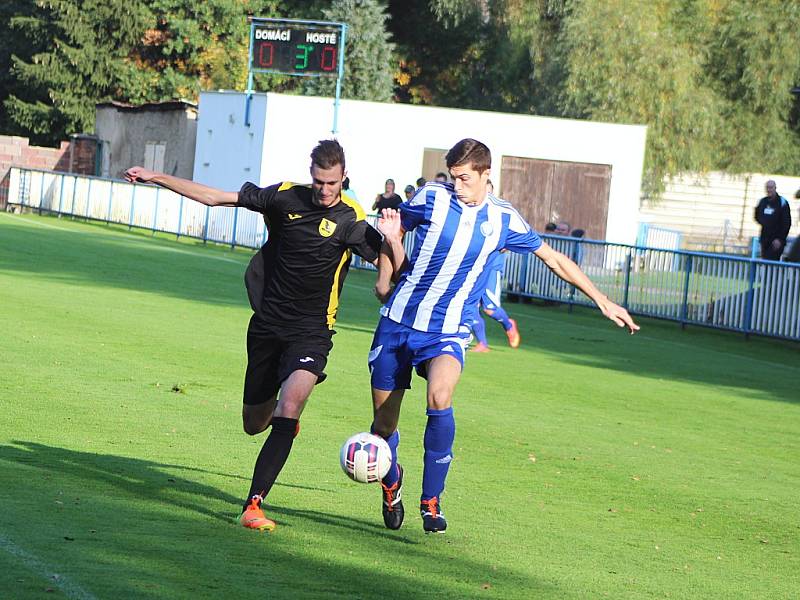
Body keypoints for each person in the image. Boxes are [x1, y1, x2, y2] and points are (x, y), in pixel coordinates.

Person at [369, 138, 639, 534]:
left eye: (464, 178)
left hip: (448, 328)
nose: (456, 185)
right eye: (454, 177)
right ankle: (392, 483)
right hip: (398, 321)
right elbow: (390, 237)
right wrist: (385, 271)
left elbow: (553, 258)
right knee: (383, 427)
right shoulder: (431, 197)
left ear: (485, 175)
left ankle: (431, 500)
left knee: (440, 395)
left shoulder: (505, 219)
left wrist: (602, 299)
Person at [124, 140, 384, 533]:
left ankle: (253, 504)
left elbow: (390, 267)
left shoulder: (352, 219)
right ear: (310, 174)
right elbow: (214, 197)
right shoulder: (283, 197)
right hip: (266, 327)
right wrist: (155, 176)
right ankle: (283, 419)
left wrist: (395, 239)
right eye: (319, 182)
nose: (325, 191)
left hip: (311, 333)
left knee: (289, 407)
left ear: (343, 177)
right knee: (253, 423)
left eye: (332, 183)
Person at [467, 250, 521, 353]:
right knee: (471, 306)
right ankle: (482, 343)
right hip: (474, 268)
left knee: (490, 309)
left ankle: (509, 325)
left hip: (492, 268)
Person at [754, 180, 791, 261]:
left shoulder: (782, 202)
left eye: (771, 187)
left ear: (775, 188)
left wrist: (780, 239)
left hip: (776, 241)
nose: (769, 190)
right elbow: (756, 215)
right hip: (765, 239)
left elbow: (787, 223)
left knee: (771, 262)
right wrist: (765, 222)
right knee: (765, 260)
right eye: (767, 188)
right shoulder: (762, 201)